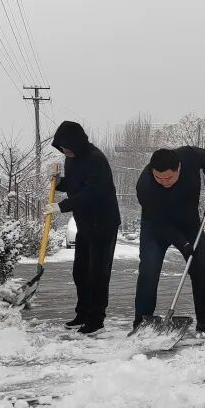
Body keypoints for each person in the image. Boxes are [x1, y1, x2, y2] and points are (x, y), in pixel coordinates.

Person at [133, 146, 205, 333]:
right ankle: (142, 322)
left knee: (201, 267)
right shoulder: (145, 187)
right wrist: (183, 243)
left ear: (179, 167)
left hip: (189, 223)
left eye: (168, 178)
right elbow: (159, 223)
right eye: (158, 178)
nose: (164, 182)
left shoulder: (190, 156)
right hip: (156, 226)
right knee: (149, 270)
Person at [48, 121, 121, 336]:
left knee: (97, 274)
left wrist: (62, 206)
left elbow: (92, 192)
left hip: (103, 224)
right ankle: (82, 314)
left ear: (77, 143)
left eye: (67, 147)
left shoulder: (95, 159)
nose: (65, 151)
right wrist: (59, 183)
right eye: (62, 147)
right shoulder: (71, 158)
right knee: (80, 272)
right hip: (85, 224)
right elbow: (75, 184)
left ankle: (96, 320)